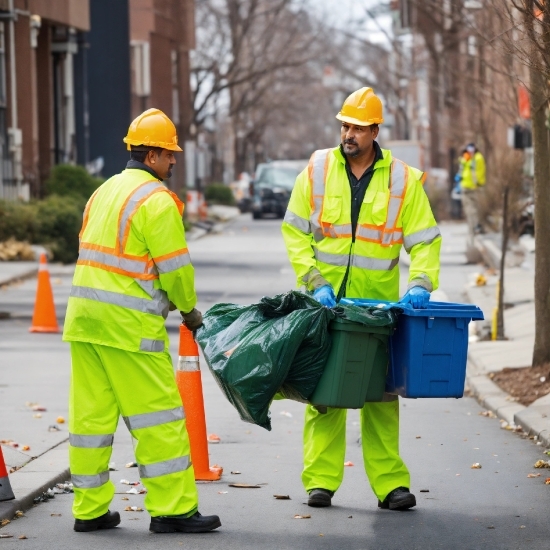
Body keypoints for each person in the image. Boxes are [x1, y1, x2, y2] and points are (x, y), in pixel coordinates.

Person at [281, 87, 441, 511]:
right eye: (344, 125)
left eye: (356, 127)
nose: (348, 133)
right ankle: (320, 481)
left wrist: (422, 282)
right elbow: (295, 230)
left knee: (380, 398)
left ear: (374, 130)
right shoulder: (317, 170)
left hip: (376, 312)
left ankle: (390, 485)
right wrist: (312, 277)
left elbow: (424, 239)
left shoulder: (403, 180)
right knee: (324, 395)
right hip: (326, 307)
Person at [63, 108, 221, 534]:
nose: (173, 161)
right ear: (152, 155)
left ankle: (90, 511)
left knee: (90, 422)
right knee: (160, 419)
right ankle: (173, 510)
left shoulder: (103, 191)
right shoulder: (156, 201)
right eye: (170, 154)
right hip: (129, 328)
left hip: (84, 322)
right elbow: (176, 270)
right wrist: (189, 311)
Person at [455, 143, 486, 236]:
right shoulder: (466, 158)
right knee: (470, 209)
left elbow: (479, 171)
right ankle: (474, 227)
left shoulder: (477, 158)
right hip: (466, 186)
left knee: (474, 209)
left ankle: (476, 226)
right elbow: (462, 170)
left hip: (474, 187)